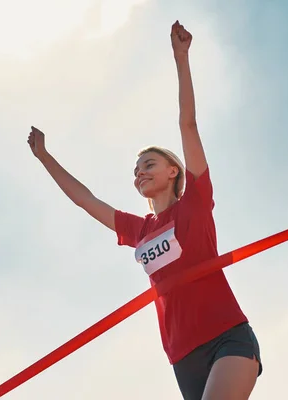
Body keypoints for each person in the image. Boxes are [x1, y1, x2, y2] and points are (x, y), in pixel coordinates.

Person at [27, 20, 262, 400]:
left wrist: (181, 59)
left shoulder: (195, 205)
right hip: (181, 354)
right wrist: (44, 157)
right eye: (136, 170)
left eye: (149, 164)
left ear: (174, 171)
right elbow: (85, 199)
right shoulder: (138, 230)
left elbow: (188, 123)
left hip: (226, 336)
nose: (140, 173)